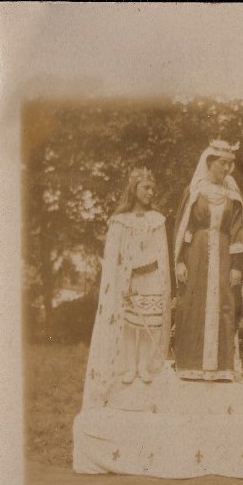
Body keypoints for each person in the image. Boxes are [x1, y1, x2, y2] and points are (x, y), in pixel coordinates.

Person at [82, 167, 171, 408]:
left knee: (148, 321)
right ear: (134, 189)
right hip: (130, 279)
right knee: (131, 324)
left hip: (151, 276)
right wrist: (124, 279)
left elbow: (162, 253)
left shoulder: (157, 220)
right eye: (146, 188)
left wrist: (160, 277)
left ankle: (144, 364)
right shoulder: (120, 221)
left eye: (152, 188)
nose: (150, 192)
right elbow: (114, 256)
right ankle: (129, 364)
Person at [173, 141, 243, 380]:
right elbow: (184, 228)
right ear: (209, 162)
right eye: (222, 163)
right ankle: (190, 365)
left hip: (224, 255)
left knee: (224, 303)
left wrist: (237, 266)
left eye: (230, 164)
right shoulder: (195, 191)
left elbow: (239, 230)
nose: (227, 168)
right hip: (196, 254)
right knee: (193, 302)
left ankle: (221, 368)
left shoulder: (233, 196)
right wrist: (180, 261)